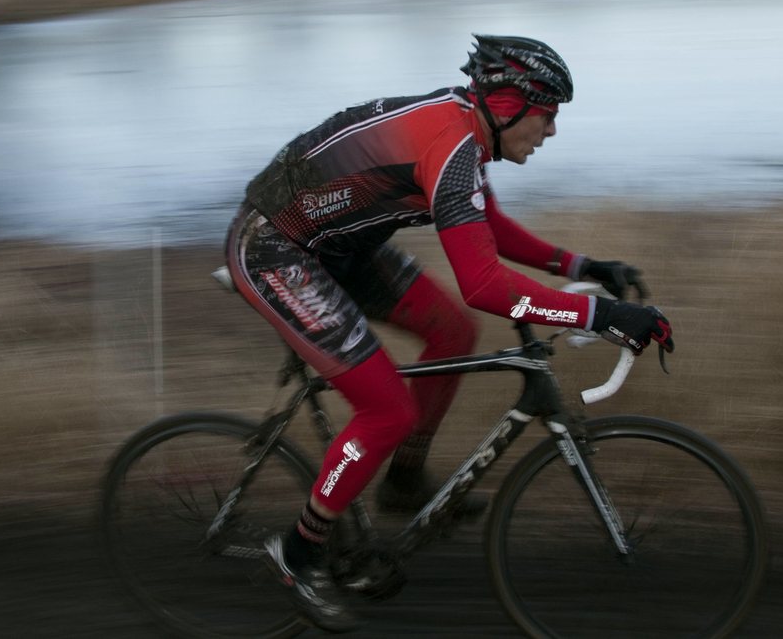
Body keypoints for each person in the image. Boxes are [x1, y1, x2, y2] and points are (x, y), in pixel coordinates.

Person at [224, 33, 674, 632]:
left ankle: (404, 480)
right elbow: (486, 284)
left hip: (340, 250)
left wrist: (582, 267)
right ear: (510, 104)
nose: (552, 132)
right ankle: (300, 553)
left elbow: (487, 225)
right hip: (277, 251)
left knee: (451, 332)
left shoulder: (464, 131)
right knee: (385, 410)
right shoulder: (452, 143)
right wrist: (605, 317)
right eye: (548, 115)